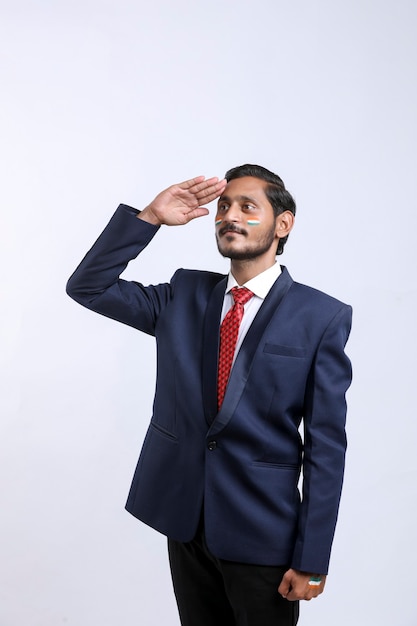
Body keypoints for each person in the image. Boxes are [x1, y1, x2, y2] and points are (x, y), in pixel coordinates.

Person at [66, 164, 352, 626]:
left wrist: (312, 557)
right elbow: (87, 286)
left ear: (283, 224)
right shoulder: (183, 294)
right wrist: (149, 219)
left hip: (264, 532)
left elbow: (327, 449)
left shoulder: (320, 317)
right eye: (222, 206)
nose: (229, 216)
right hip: (186, 520)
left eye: (246, 207)